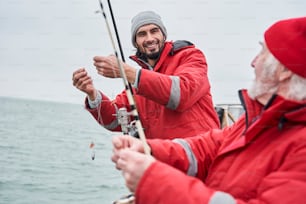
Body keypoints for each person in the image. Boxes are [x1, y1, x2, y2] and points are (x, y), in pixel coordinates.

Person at [111, 16, 306, 203]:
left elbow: (182, 94)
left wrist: (153, 180)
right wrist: (151, 150)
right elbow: (211, 146)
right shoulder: (260, 118)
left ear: (285, 71)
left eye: (262, 53)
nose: (253, 62)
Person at [72, 11, 220, 139]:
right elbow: (114, 121)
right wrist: (93, 95)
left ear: (163, 34)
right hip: (163, 166)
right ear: (135, 43)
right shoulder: (139, 82)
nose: (149, 38)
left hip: (201, 160)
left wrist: (127, 72)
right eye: (142, 34)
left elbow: (181, 94)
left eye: (154, 31)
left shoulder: (191, 56)